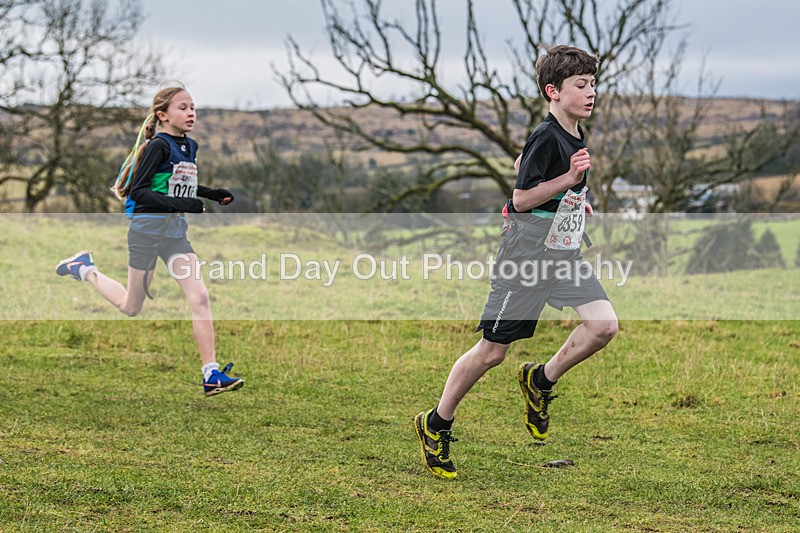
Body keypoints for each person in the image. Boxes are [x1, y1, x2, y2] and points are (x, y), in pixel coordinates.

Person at [414, 45, 618, 479]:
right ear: (553, 91)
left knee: (603, 326)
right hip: (525, 258)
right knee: (491, 352)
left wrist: (573, 202)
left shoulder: (571, 133)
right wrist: (567, 181)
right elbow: (522, 198)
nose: (590, 92)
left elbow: (528, 170)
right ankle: (436, 423)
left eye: (593, 84)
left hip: (561, 255)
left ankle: (541, 380)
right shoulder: (548, 134)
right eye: (580, 86)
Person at [55, 84, 244, 397]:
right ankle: (83, 268)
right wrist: (184, 205)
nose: (191, 113)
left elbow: (176, 186)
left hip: (174, 235)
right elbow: (139, 192)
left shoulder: (190, 147)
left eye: (193, 107)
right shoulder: (158, 145)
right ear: (162, 115)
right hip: (146, 231)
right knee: (132, 307)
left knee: (200, 297)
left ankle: (211, 374)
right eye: (182, 107)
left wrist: (211, 193)